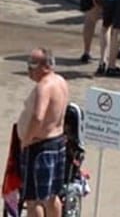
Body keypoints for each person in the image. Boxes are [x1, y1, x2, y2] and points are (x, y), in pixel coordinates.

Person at [15, 48, 70, 217]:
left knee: (34, 201)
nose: (29, 69)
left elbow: (38, 117)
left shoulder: (44, 87)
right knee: (52, 196)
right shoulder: (61, 81)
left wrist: (27, 139)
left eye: (32, 65)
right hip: (57, 143)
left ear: (45, 66)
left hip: (40, 147)